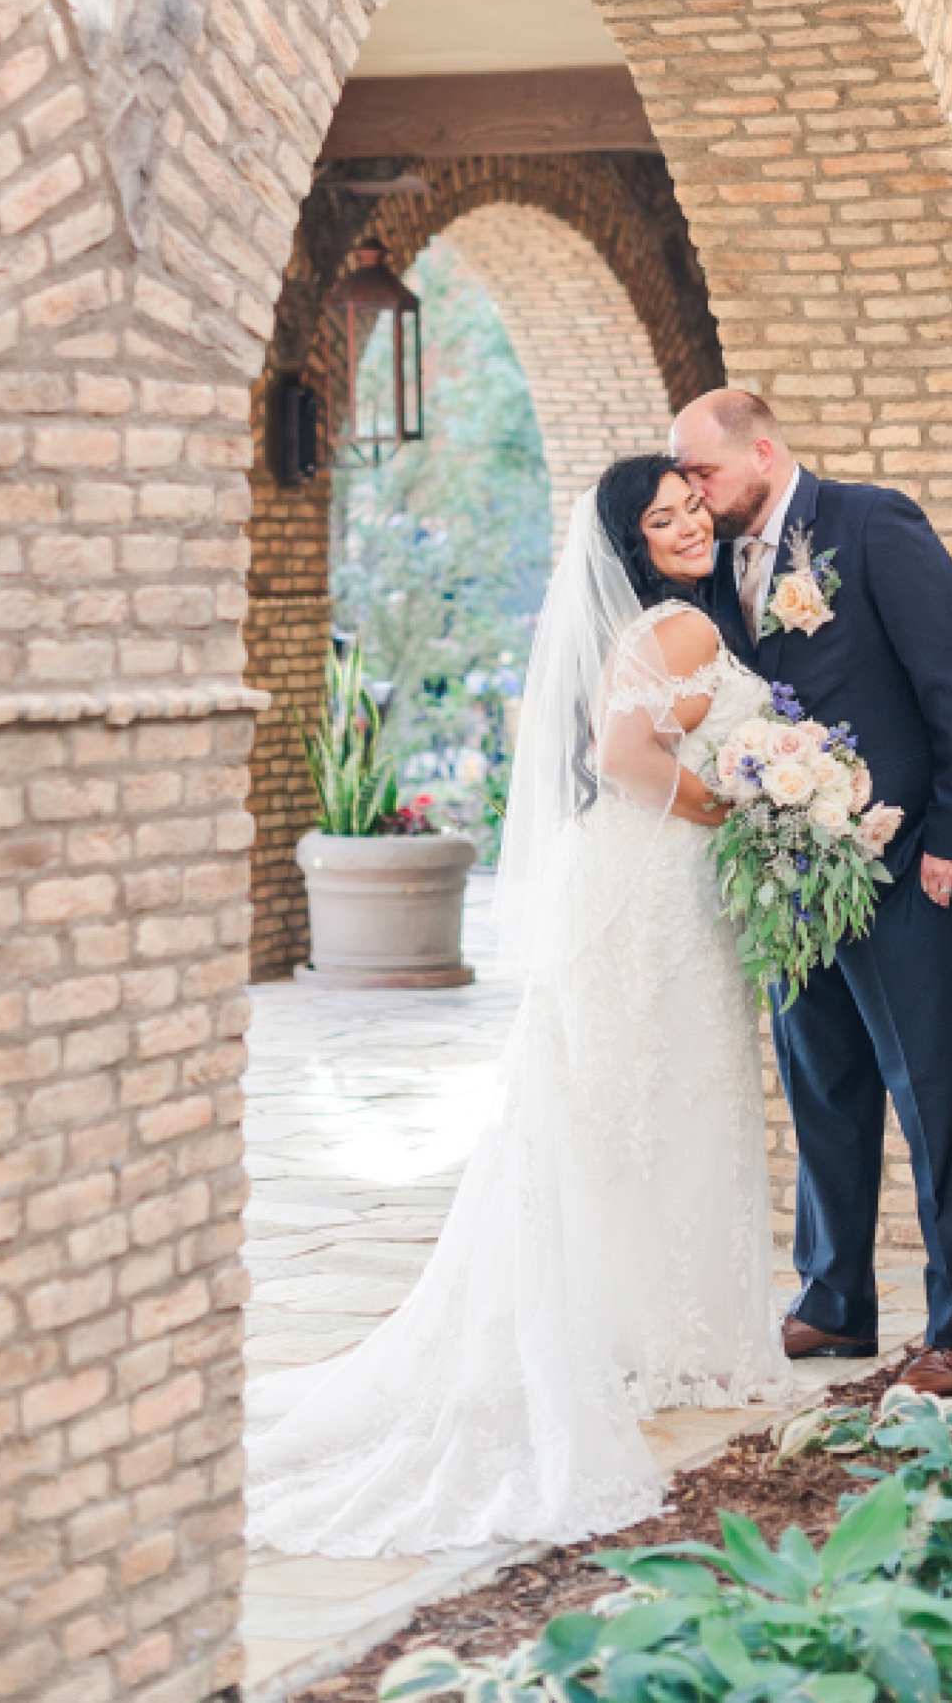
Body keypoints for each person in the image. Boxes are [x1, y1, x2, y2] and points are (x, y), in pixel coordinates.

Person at [244, 455, 789, 1558]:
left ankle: (645, 1335)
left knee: (625, 1111)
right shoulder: (675, 630)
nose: (688, 525)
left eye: (693, 508)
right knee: (651, 1107)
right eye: (663, 517)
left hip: (636, 886)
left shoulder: (653, 624)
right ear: (632, 542)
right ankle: (659, 1340)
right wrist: (736, 807)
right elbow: (625, 755)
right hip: (651, 890)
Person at [671, 387, 952, 1397]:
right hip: (787, 863)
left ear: (762, 452)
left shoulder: (869, 524)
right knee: (819, 1081)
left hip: (906, 860)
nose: (692, 495)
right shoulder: (708, 568)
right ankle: (832, 1301)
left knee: (933, 1089)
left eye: (700, 472)